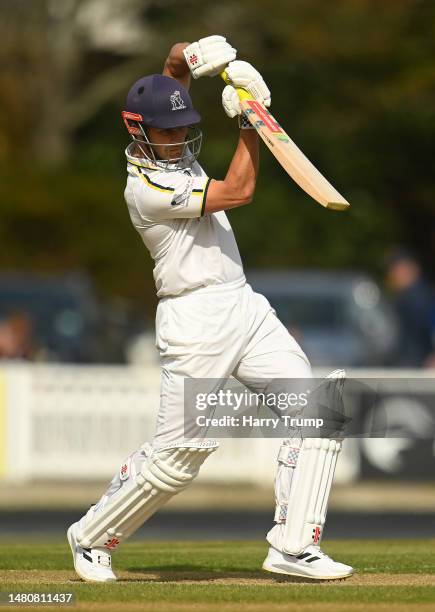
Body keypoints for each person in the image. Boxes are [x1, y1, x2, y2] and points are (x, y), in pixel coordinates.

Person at [67, 35, 353, 582]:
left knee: (320, 413)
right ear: (139, 132)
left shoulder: (167, 134)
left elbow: (171, 80)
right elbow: (238, 192)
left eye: (183, 128)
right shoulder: (146, 189)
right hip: (194, 321)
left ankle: (293, 548)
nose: (178, 139)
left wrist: (187, 56)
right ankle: (90, 537)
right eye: (167, 132)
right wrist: (250, 118)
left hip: (243, 305)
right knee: (180, 459)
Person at [385, 248, 435, 367]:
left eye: (396, 269)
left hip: (416, 364)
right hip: (412, 363)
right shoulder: (409, 296)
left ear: (411, 269)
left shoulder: (418, 298)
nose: (392, 274)